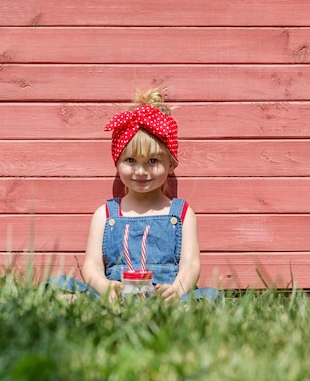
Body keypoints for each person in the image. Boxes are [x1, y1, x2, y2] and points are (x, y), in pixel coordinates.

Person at [49, 88, 218, 302]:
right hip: (116, 297)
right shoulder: (105, 215)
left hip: (164, 298)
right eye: (130, 161)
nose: (140, 171)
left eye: (153, 161)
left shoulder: (182, 214)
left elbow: (190, 264)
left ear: (171, 164)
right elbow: (91, 266)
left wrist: (177, 290)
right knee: (57, 284)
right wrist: (105, 287)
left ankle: (177, 308)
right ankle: (91, 304)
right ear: (117, 162)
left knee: (210, 296)